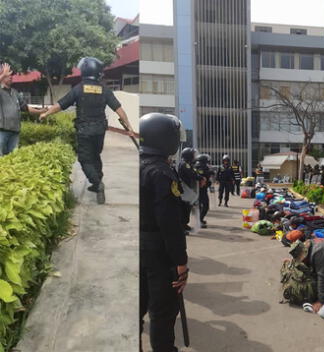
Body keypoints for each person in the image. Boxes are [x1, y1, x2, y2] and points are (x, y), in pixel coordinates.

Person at [40, 57, 135, 204]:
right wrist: (129, 127)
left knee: (85, 159)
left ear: (84, 71)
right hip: (100, 130)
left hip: (84, 130)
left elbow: (61, 104)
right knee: (95, 156)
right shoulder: (104, 89)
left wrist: (46, 113)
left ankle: (97, 183)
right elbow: (119, 109)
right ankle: (97, 183)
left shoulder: (79, 88)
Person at [139, 113, 189, 352]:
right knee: (163, 310)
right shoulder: (161, 173)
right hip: (158, 251)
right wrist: (181, 262)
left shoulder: (136, 165)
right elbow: (170, 224)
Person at [0, 63, 47, 156]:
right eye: (8, 76)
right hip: (2, 131)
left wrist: (40, 111)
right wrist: (2, 75)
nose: (11, 77)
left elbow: (25, 107)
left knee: (13, 158)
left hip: (15, 132)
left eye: (11, 76)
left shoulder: (15, 93)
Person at [178, 147, 200, 233]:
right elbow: (191, 174)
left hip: (188, 190)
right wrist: (200, 177)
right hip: (185, 190)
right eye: (193, 155)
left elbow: (194, 172)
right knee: (184, 209)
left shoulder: (188, 163)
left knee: (187, 208)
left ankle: (185, 224)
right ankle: (181, 228)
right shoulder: (184, 164)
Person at [194, 153, 213, 227]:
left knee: (200, 206)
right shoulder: (201, 167)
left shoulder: (198, 166)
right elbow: (202, 176)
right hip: (201, 190)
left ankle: (200, 220)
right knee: (205, 206)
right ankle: (199, 221)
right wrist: (209, 172)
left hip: (200, 190)